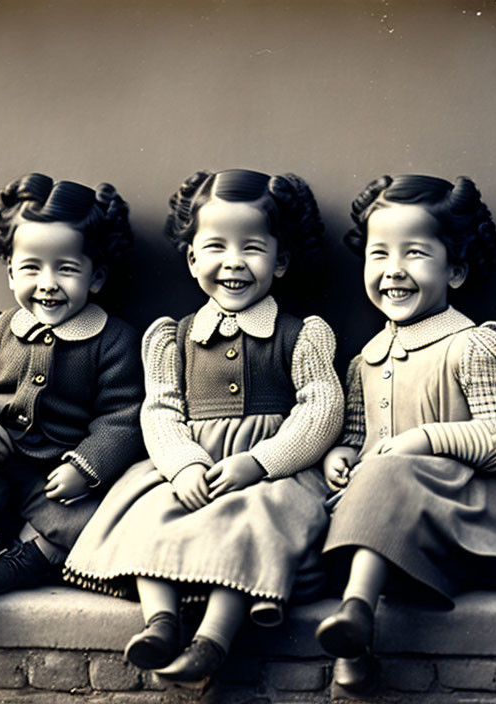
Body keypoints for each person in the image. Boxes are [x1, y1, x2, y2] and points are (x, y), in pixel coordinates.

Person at [64, 168, 343, 683]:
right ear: (192, 258)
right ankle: (160, 622)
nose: (232, 263)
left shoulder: (302, 335)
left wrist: (260, 463)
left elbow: (321, 410)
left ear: (280, 261)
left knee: (252, 522)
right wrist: (183, 465)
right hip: (192, 462)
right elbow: (161, 410)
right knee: (151, 509)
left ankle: (214, 636)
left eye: (252, 249)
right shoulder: (172, 337)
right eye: (215, 247)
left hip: (269, 469)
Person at [317, 174, 496, 691]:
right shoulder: (363, 361)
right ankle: (353, 644)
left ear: (455, 269)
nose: (393, 271)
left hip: (464, 511)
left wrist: (426, 439)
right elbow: (357, 435)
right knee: (328, 492)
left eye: (415, 254)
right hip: (384, 512)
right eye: (379, 255)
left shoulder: (474, 346)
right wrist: (341, 456)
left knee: (387, 477)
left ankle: (354, 610)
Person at [0, 173, 144, 615]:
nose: (48, 283)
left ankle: (28, 561)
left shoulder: (113, 341)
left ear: (97, 277)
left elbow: (125, 415)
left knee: (96, 520)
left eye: (67, 268)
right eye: (32, 267)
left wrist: (86, 466)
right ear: (12, 271)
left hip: (59, 481)